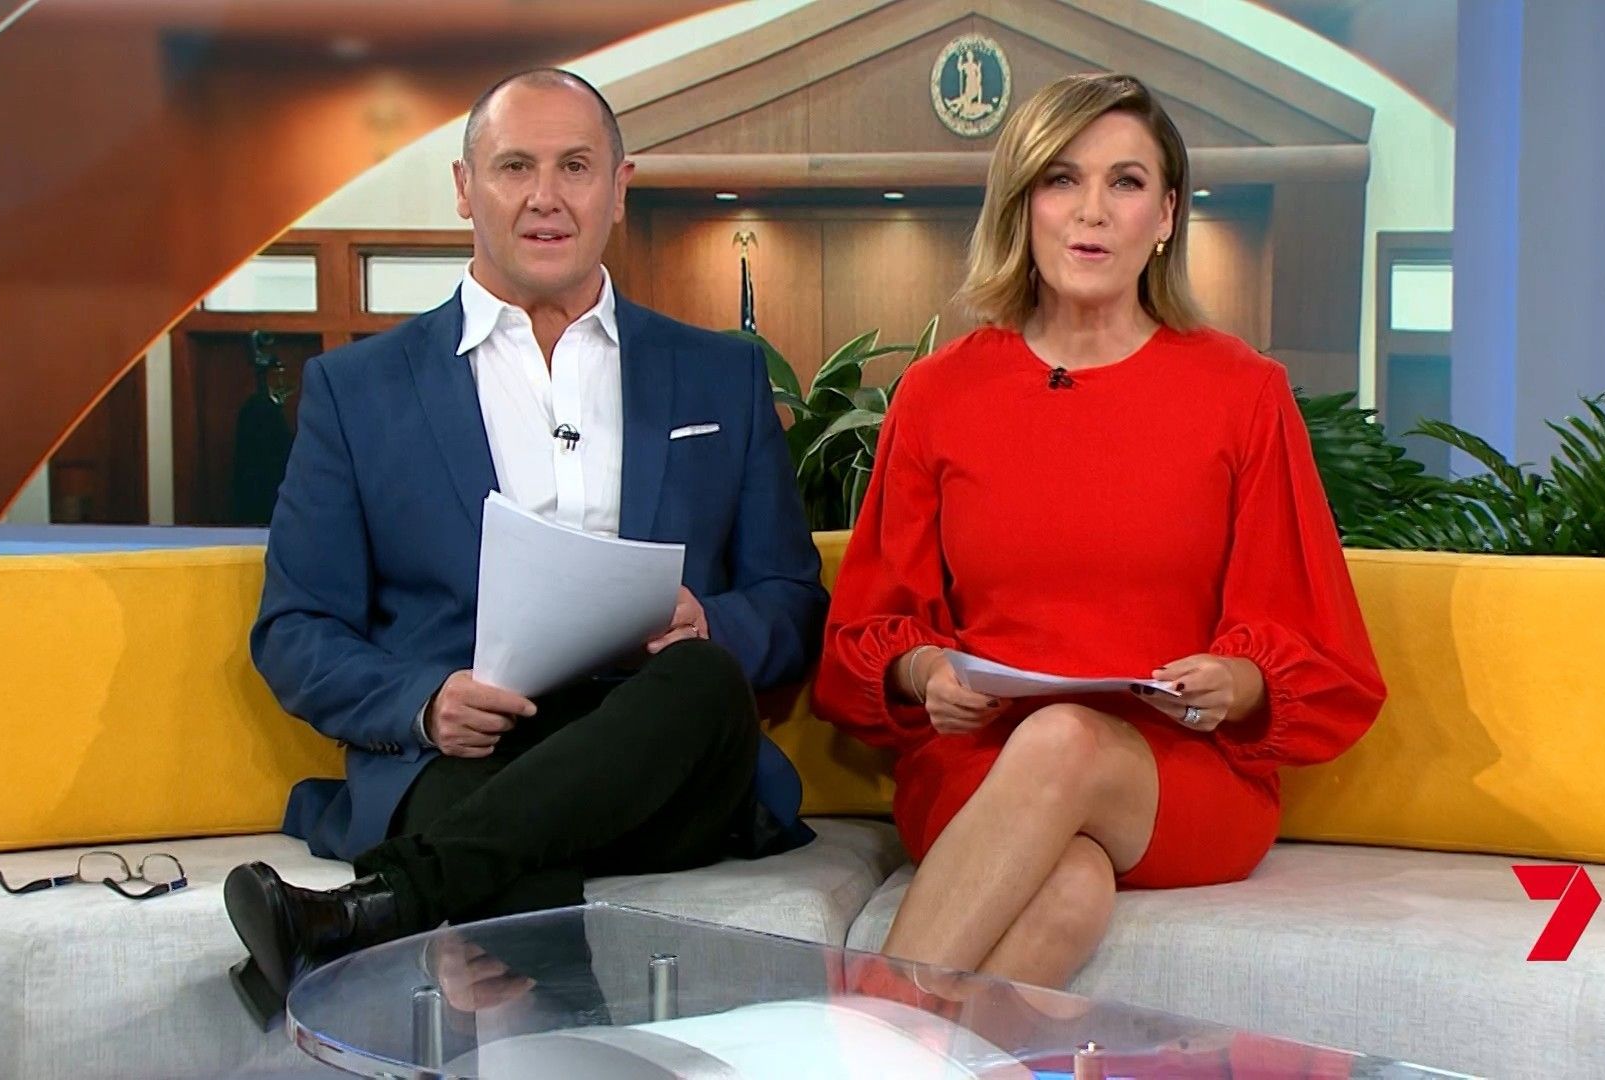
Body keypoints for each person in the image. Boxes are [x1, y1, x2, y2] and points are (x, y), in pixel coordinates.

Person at [223, 68, 827, 1025]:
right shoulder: (359, 391)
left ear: (618, 189)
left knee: (704, 680)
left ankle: (371, 907)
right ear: (466, 190)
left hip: (665, 754)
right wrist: (424, 704)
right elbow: (296, 628)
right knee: (501, 831)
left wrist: (712, 622)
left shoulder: (721, 375)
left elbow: (792, 595)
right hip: (471, 756)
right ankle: (550, 1022)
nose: (546, 196)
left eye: (575, 167)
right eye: (515, 167)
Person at [810, 72, 1387, 991]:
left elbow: (1314, 644)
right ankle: (914, 1048)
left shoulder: (1243, 393)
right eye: (1061, 180)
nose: (1092, 212)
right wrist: (926, 675)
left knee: (1066, 739)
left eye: (1125, 182)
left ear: (1166, 215)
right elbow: (867, 632)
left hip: (1181, 775)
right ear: (1023, 206)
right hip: (982, 766)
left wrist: (1233, 683)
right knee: (1070, 886)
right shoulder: (938, 395)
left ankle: (858, 1031)